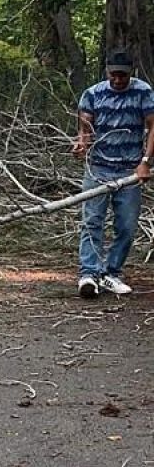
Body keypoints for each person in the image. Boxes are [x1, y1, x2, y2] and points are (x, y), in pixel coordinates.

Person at [73, 50, 154, 299]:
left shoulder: (143, 92)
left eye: (123, 75)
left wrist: (145, 163)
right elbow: (85, 128)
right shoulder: (93, 94)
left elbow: (153, 127)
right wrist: (82, 145)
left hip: (129, 170)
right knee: (91, 221)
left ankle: (111, 273)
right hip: (98, 167)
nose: (118, 80)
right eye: (114, 75)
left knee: (127, 226)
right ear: (107, 72)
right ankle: (89, 273)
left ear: (132, 73)